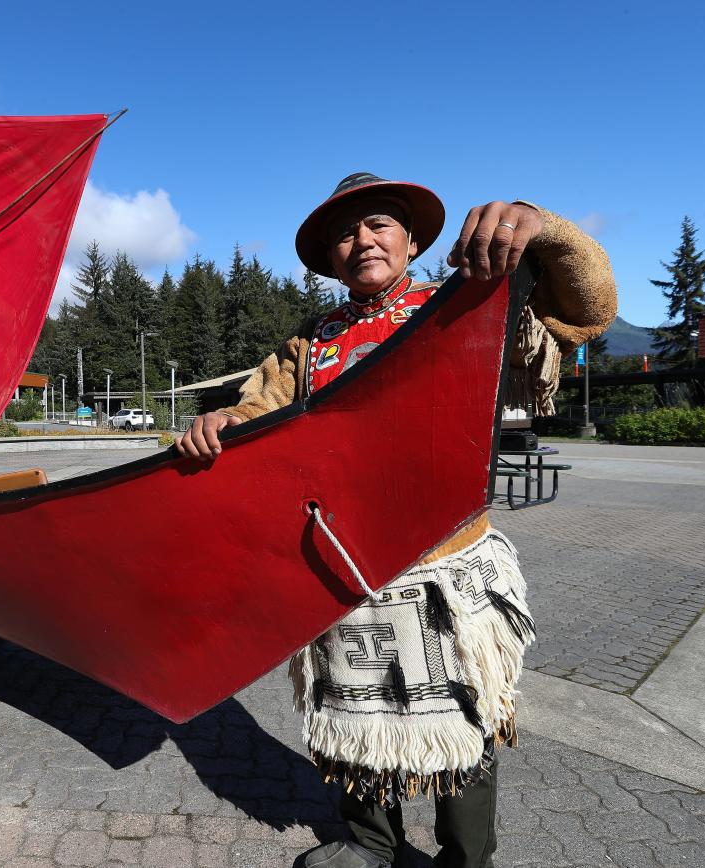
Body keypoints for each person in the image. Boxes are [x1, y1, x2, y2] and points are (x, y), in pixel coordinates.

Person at [174, 173, 616, 868]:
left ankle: (469, 857)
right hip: (344, 561)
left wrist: (540, 225)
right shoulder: (309, 345)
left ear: (412, 240)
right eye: (345, 234)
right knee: (355, 716)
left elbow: (584, 311)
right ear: (331, 258)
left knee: (464, 721)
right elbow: (260, 412)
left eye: (377, 225)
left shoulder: (465, 305)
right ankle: (370, 841)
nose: (362, 241)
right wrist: (226, 420)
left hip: (447, 559)